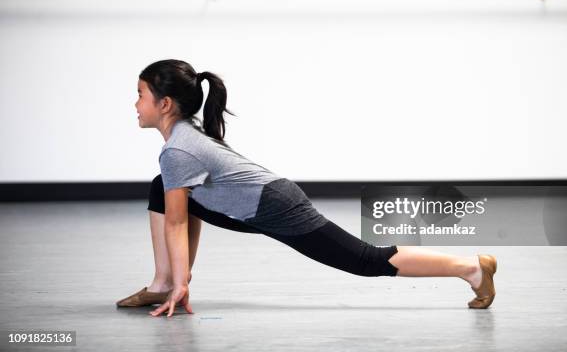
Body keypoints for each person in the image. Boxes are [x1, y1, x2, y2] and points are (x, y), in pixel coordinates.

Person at [116, 59, 497, 317]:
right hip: (261, 202)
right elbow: (181, 211)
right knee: (160, 189)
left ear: (164, 104)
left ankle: (471, 268)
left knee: (366, 260)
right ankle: (163, 282)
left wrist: (184, 282)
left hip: (275, 205)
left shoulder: (179, 149)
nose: (135, 103)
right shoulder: (182, 141)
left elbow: (178, 224)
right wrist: (177, 281)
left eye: (139, 94)